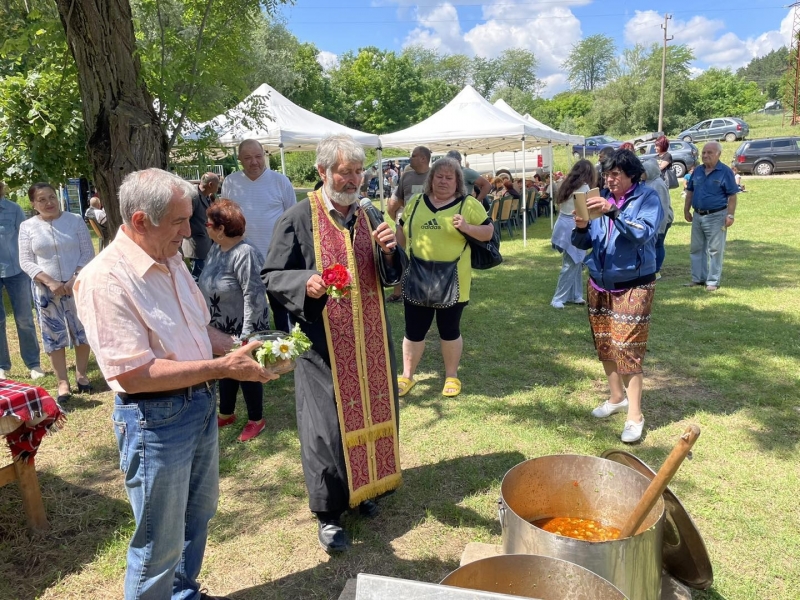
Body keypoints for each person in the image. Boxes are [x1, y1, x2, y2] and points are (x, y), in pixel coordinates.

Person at [74, 168, 277, 600]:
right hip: (155, 420)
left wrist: (241, 348)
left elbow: (199, 328)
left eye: (190, 218)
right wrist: (222, 369)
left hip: (196, 407)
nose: (191, 230)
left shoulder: (170, 257)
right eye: (180, 221)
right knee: (158, 543)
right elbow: (134, 374)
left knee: (197, 516)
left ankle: (182, 594)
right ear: (141, 220)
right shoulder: (105, 279)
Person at [262, 134, 405, 553]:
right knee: (325, 426)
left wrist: (392, 252)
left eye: (358, 172)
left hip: (371, 339)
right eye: (345, 172)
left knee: (372, 408)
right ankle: (328, 513)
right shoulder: (296, 218)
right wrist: (302, 281)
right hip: (322, 341)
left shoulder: (369, 213)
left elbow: (392, 274)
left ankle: (367, 489)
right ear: (322, 172)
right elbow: (271, 274)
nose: (353, 180)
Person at [572, 149, 663, 443]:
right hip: (599, 283)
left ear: (632, 175)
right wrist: (582, 227)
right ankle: (616, 398)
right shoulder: (600, 197)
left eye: (616, 175)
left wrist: (613, 211)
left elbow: (642, 233)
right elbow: (585, 242)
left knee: (627, 348)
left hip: (634, 284)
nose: (610, 180)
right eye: (607, 174)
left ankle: (634, 415)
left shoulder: (648, 198)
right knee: (606, 345)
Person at [395, 156, 494, 399]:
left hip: (454, 279)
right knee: (413, 330)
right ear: (431, 179)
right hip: (417, 275)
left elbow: (489, 233)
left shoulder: (468, 205)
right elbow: (402, 228)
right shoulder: (416, 202)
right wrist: (399, 257)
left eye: (449, 177)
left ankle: (451, 376)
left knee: (449, 329)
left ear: (458, 181)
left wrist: (467, 228)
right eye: (439, 176)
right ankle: (407, 376)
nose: (443, 181)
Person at [198, 199, 271, 442]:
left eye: (209, 223)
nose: (205, 227)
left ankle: (256, 419)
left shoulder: (245, 253)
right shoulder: (217, 248)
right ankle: (226, 412)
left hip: (243, 327)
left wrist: (247, 338)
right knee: (225, 371)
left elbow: (255, 295)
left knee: (246, 372)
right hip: (220, 325)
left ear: (220, 228)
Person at [18, 183, 94, 402]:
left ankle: (81, 375)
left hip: (76, 286)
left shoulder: (75, 220)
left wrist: (73, 279)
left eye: (52, 197)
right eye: (42, 199)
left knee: (82, 330)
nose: (49, 202)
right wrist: (49, 281)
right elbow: (25, 260)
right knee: (53, 335)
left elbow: (87, 252)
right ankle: (62, 382)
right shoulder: (27, 227)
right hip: (46, 290)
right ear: (33, 204)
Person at [221, 139, 295, 331]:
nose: (254, 162)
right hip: (241, 260)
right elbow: (226, 219)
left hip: (276, 259)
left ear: (265, 156)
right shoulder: (231, 182)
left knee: (282, 309)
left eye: (258, 156)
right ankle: (249, 348)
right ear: (239, 159)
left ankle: (286, 347)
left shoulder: (280, 182)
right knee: (245, 310)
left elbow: (293, 220)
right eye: (247, 158)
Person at [0, 183, 43, 381]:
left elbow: (25, 239)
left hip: (17, 271)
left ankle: (33, 363)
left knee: (24, 318)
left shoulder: (13, 209)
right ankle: (2, 366)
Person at [683, 142, 738, 292]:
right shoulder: (698, 171)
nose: (705, 155)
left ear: (718, 154)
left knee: (715, 250)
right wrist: (686, 210)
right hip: (697, 215)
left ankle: (713, 281)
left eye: (709, 152)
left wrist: (730, 215)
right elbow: (690, 191)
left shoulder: (725, 172)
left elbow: (732, 196)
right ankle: (698, 278)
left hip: (716, 216)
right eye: (704, 152)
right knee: (696, 248)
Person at [386, 145, 431, 303]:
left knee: (425, 256)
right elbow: (397, 201)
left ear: (423, 158)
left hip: (428, 226)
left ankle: (426, 290)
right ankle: (398, 292)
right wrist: (399, 220)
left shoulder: (435, 176)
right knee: (399, 254)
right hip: (405, 225)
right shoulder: (406, 176)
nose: (410, 158)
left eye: (413, 155)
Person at [550, 159, 596, 308]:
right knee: (571, 263)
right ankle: (558, 298)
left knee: (575, 262)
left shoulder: (566, 184)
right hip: (573, 225)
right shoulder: (585, 188)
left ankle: (575, 295)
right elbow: (587, 212)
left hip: (563, 224)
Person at [181, 172, 220, 280]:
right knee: (197, 279)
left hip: (204, 245)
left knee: (204, 278)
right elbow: (185, 219)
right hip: (196, 246)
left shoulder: (206, 196)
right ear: (211, 185)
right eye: (218, 185)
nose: (219, 188)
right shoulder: (194, 196)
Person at [641, 159, 674, 278]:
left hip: (661, 221)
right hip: (652, 220)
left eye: (643, 172)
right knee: (651, 245)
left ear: (649, 171)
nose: (641, 174)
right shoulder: (646, 182)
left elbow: (664, 206)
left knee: (658, 244)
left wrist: (661, 226)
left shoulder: (658, 184)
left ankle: (656, 270)